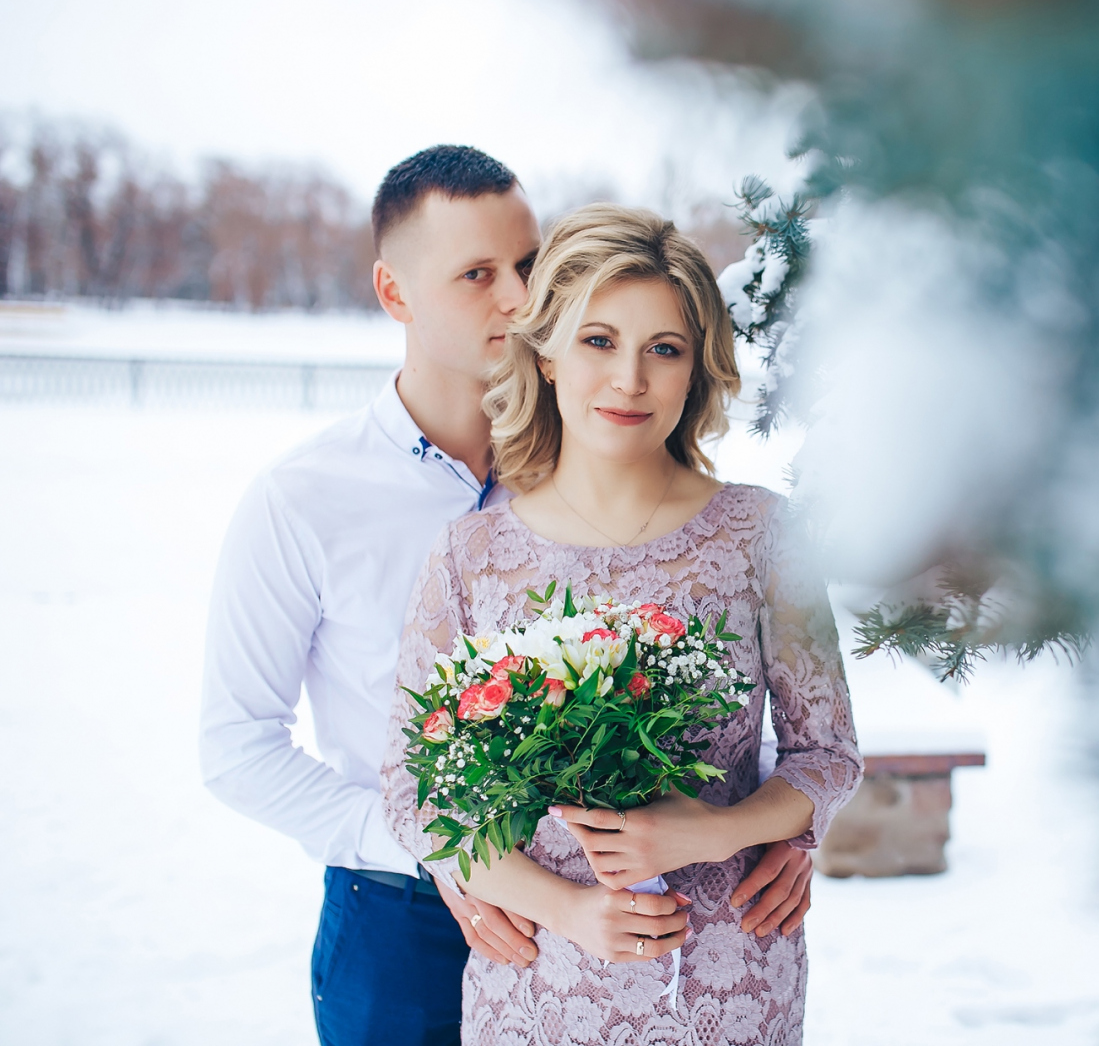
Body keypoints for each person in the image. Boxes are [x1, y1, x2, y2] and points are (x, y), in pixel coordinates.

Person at [200, 148, 815, 1046]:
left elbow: (736, 675)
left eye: (528, 263)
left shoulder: (600, 451)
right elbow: (236, 747)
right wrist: (441, 855)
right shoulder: (305, 500)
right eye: (477, 275)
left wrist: (770, 828)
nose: (520, 298)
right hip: (403, 914)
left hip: (638, 917)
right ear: (394, 293)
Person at [379, 203, 862, 1045]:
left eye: (663, 350)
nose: (630, 380)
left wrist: (724, 828)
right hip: (538, 983)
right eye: (599, 341)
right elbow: (415, 791)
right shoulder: (470, 557)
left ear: (696, 371)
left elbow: (830, 755)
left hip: (729, 980)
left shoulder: (762, 536)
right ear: (548, 353)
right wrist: (562, 907)